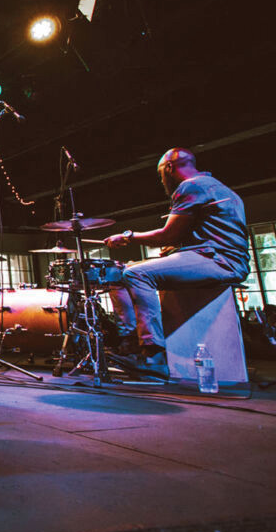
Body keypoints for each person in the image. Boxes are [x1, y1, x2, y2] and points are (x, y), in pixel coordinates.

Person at [104, 148, 250, 377]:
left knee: (135, 274)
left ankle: (153, 356)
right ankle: (132, 343)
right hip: (221, 257)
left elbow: (168, 235)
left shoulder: (191, 186)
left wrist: (127, 237)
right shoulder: (220, 187)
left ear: (169, 168)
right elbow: (194, 235)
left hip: (219, 261)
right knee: (124, 272)